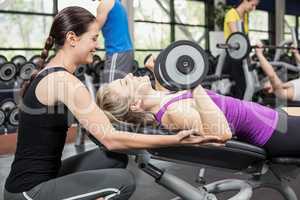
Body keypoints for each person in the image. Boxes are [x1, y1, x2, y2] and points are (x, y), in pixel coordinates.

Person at [3, 6, 218, 200]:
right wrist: (176, 141)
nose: (98, 45)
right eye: (94, 38)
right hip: (28, 192)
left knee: (113, 158)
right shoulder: (63, 81)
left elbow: (102, 133)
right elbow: (110, 139)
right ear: (72, 38)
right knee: (122, 182)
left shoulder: (56, 74)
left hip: (47, 176)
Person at [96, 55, 300, 158]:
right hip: (276, 132)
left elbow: (166, 89)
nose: (130, 75)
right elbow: (221, 135)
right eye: (125, 83)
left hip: (272, 116)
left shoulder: (161, 97)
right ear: (134, 104)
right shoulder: (174, 113)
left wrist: (155, 68)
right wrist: (194, 84)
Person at [223, 0, 260, 99]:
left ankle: (245, 109)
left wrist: (250, 55)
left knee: (249, 83)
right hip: (233, 53)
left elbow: (245, 38)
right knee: (241, 86)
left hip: (243, 53)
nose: (253, 8)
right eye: (252, 5)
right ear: (245, 1)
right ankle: (239, 111)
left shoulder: (245, 16)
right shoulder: (231, 14)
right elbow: (238, 38)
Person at [96, 0, 134, 84]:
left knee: (111, 89)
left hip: (118, 52)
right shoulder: (117, 3)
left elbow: (94, 29)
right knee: (121, 87)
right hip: (125, 51)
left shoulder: (105, 3)